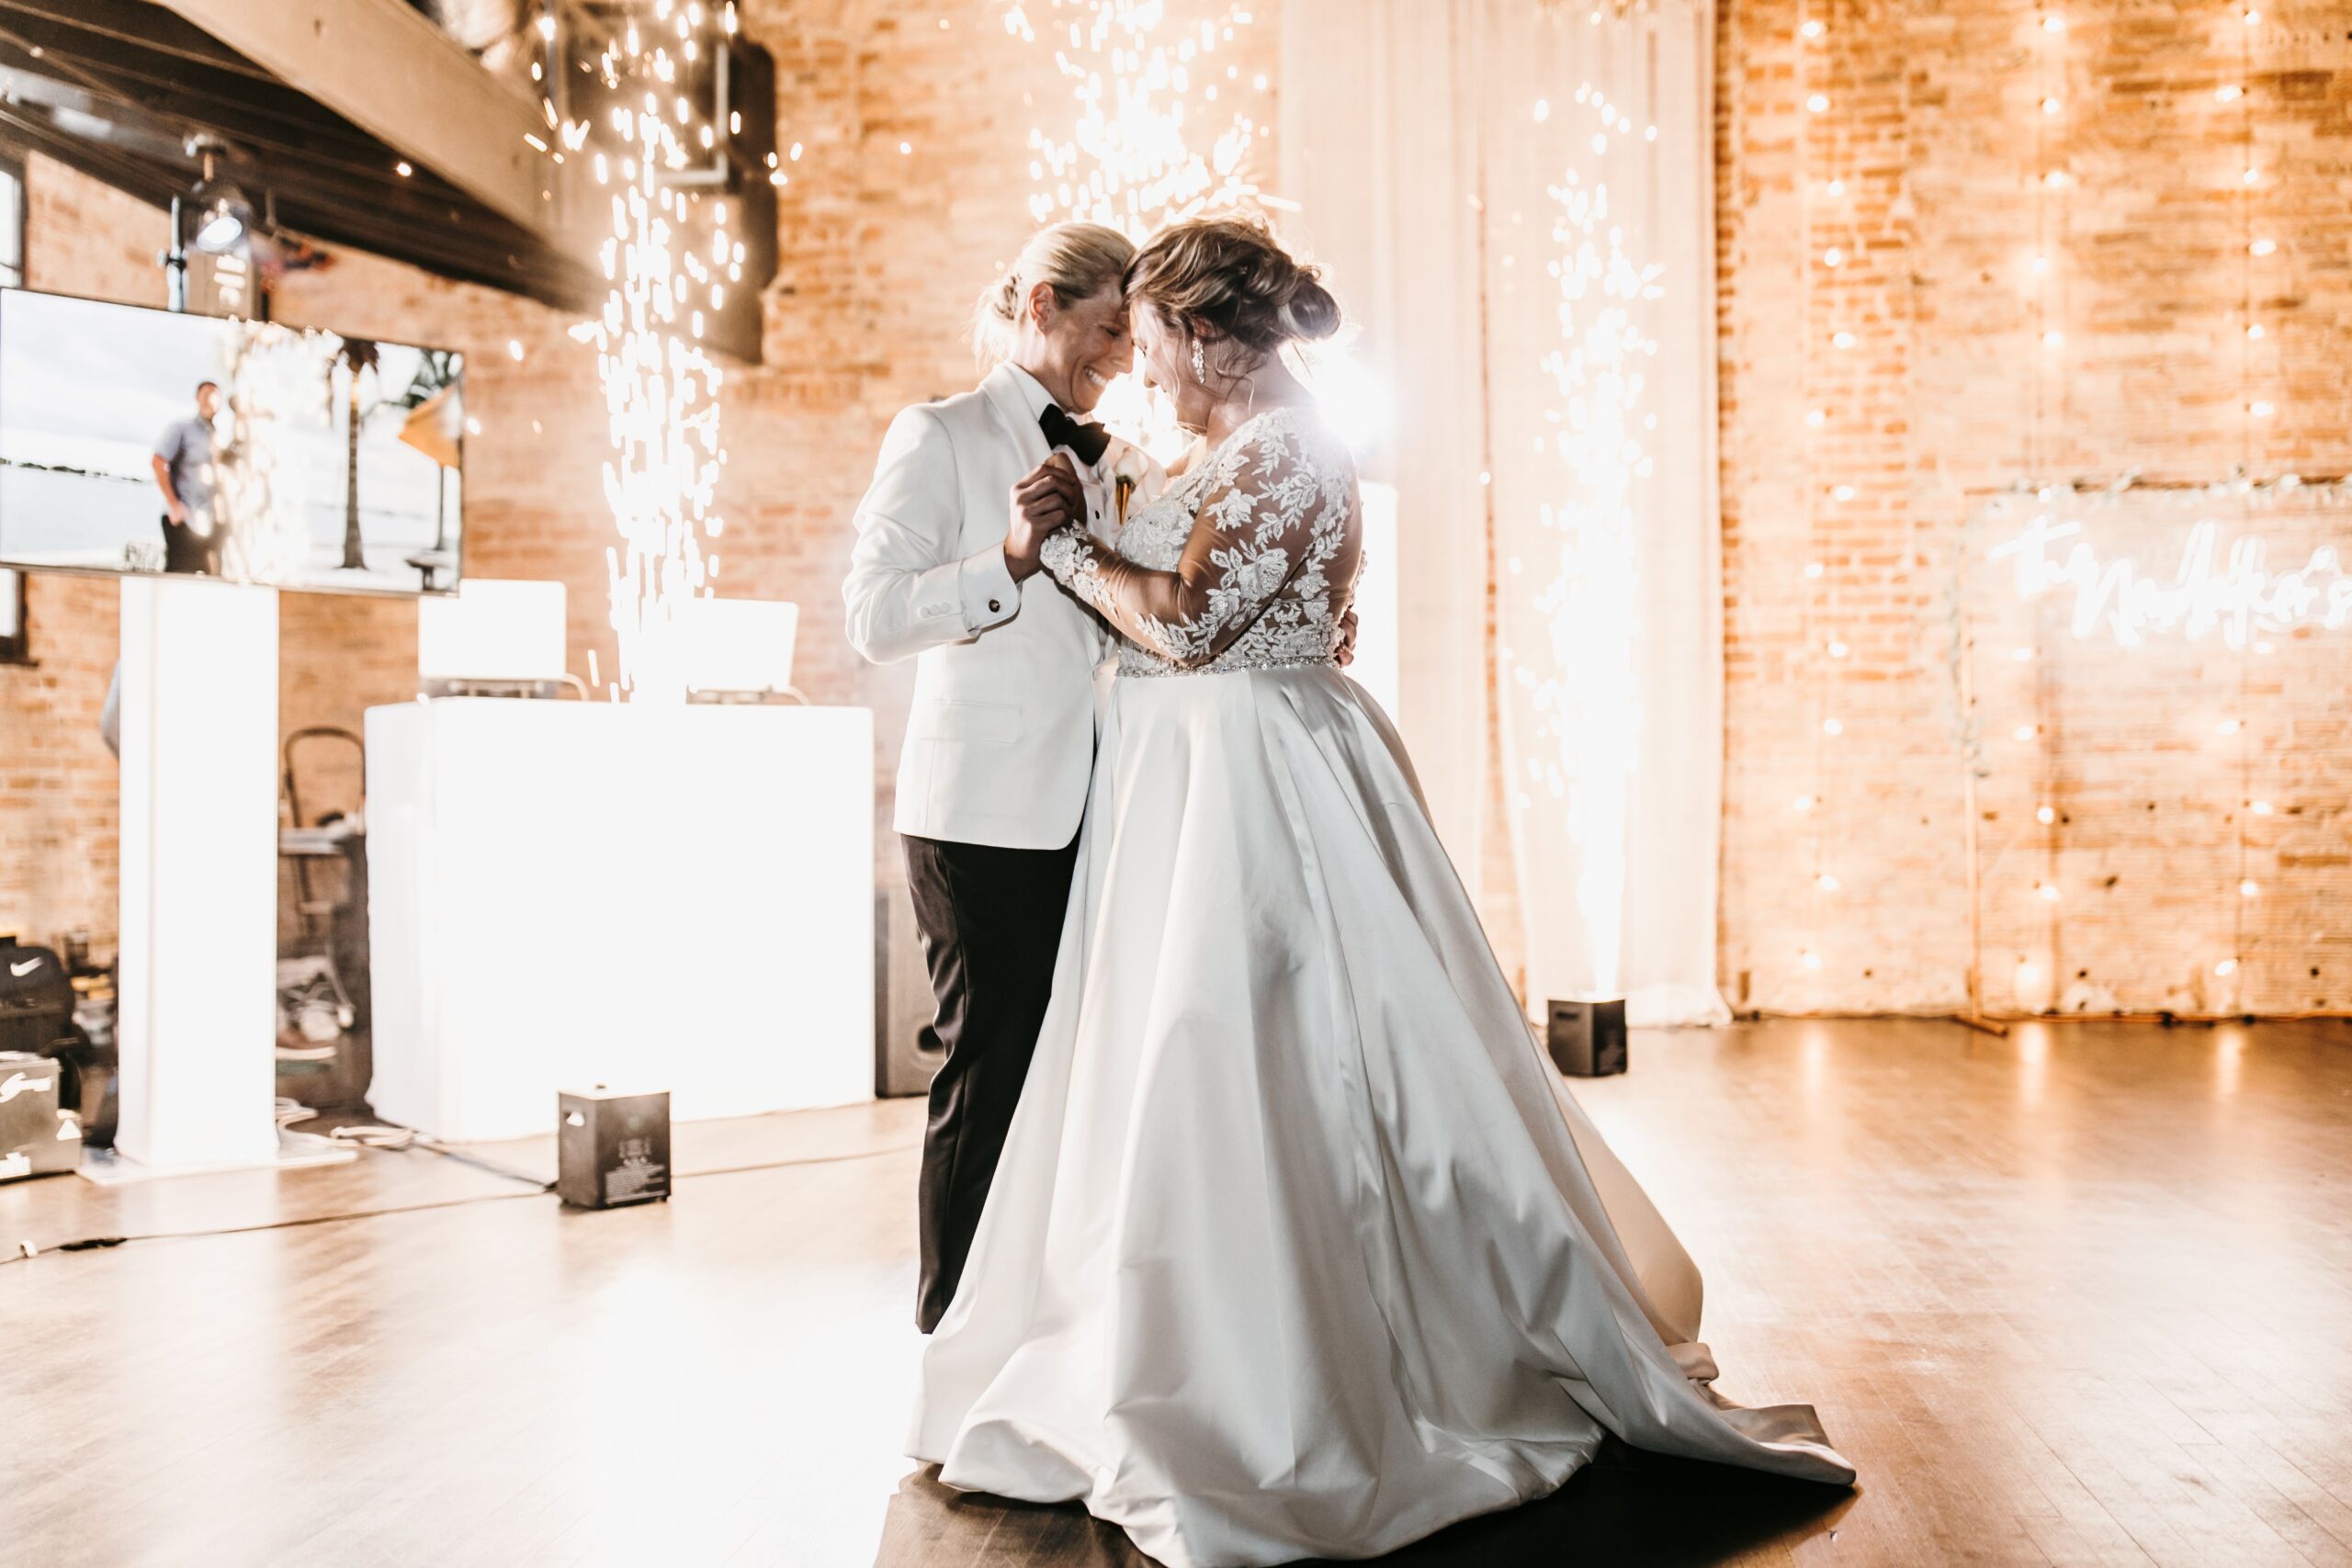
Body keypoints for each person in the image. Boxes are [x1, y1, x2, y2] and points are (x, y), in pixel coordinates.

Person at [910, 214, 1855, 1566]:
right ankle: (1164, 1327)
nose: (1144, 374)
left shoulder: (1294, 446)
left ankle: (1286, 1373)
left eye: (1158, 343)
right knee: (1181, 1062)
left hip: (1254, 788)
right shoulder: (1247, 442)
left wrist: (1066, 551)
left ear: (1210, 340)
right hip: (1192, 785)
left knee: (1257, 1053)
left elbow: (1186, 621)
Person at [843, 222, 1159, 1335]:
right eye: (1107, 327)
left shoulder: (1116, 461)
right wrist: (1008, 562)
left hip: (1100, 807)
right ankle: (953, 1339)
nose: (1123, 354)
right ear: (1039, 305)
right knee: (988, 1076)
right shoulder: (936, 435)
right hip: (977, 815)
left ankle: (1039, 1325)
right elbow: (872, 618)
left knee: (1068, 1080)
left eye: (1133, 333)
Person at [151, 380, 221, 576]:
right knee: (179, 577)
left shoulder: (217, 438)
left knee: (211, 576)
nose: (210, 399)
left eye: (215, 395)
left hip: (207, 523)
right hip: (182, 521)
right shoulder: (182, 429)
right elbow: (158, 461)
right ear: (197, 398)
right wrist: (174, 504)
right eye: (206, 394)